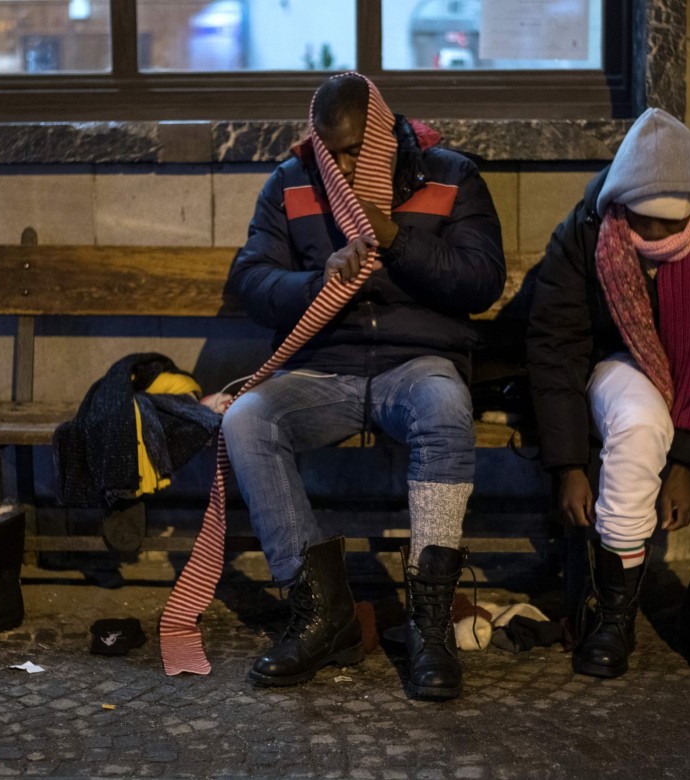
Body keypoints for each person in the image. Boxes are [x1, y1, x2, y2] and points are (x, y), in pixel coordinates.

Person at [218, 72, 505, 699]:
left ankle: (430, 624)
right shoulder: (293, 182)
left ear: (381, 132)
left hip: (418, 362)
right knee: (246, 418)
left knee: (446, 405)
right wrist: (315, 282)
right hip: (326, 367)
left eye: (354, 150)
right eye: (330, 151)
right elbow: (252, 281)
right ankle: (323, 612)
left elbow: (483, 280)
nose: (342, 166)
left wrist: (397, 239)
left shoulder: (449, 175)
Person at [526, 108, 690, 680]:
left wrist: (688, 460)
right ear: (620, 204)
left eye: (669, 224)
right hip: (622, 356)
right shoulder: (587, 231)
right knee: (639, 422)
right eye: (642, 221)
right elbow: (557, 345)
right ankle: (615, 613)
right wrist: (569, 463)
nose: (653, 237)